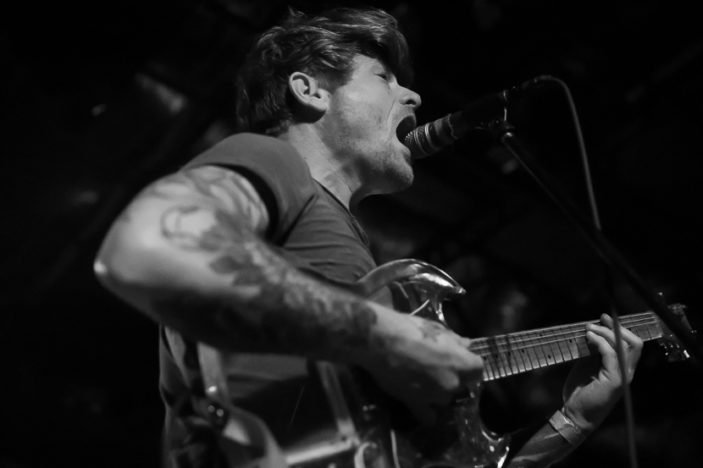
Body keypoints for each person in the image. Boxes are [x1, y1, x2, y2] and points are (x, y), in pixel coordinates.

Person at [93, 6, 643, 468]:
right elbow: (146, 247)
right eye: (384, 78)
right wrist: (387, 334)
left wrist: (576, 418)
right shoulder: (272, 160)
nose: (414, 97)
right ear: (309, 91)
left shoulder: (365, 267)